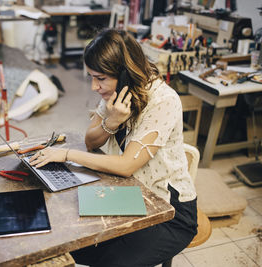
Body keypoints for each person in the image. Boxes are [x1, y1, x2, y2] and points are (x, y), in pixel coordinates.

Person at [29, 28, 197, 267]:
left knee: (110, 261)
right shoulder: (117, 92)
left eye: (100, 78)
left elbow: (127, 165)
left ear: (125, 73)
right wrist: (112, 121)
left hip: (168, 211)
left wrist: (66, 153)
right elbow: (91, 140)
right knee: (66, 241)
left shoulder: (163, 100)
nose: (94, 87)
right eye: (92, 78)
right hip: (130, 195)